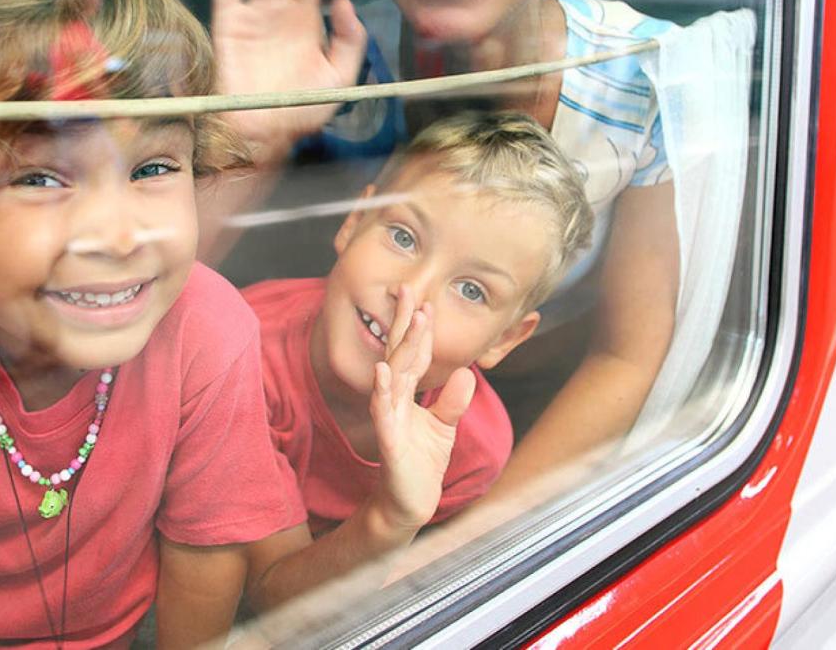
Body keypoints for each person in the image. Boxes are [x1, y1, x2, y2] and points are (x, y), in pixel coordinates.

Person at [0, 0, 489, 646]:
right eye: (41, 177)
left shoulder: (207, 329)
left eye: (154, 169)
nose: (120, 235)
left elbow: (206, 555)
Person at [206, 0, 679, 497]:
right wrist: (253, 135)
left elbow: (625, 357)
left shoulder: (644, 78)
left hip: (524, 460)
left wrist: (450, 562)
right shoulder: (338, 60)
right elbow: (138, 308)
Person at [247, 111, 593, 535]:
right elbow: (271, 589)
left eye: (471, 290)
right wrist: (391, 517)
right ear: (353, 224)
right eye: (403, 237)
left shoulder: (470, 451)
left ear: (503, 339)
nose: (410, 294)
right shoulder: (240, 354)